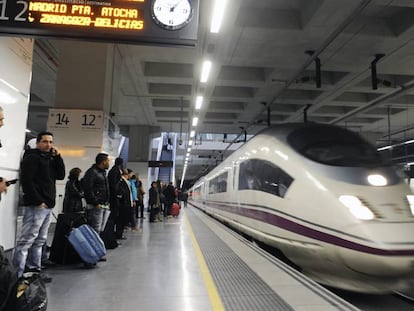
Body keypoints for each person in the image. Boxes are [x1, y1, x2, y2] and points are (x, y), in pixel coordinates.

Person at [13, 131, 65, 282]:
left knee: (40, 240)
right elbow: (27, 181)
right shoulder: (32, 158)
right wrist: (37, 200)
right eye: (45, 142)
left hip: (47, 205)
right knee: (26, 240)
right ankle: (17, 275)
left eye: (50, 142)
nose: (48, 145)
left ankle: (34, 270)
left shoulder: (49, 159)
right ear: (38, 143)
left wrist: (58, 157)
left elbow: (61, 175)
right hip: (37, 205)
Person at [82, 153, 111, 235]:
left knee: (100, 229)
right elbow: (88, 189)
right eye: (108, 161)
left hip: (103, 205)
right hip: (96, 205)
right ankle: (93, 247)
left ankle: (96, 246)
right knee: (95, 229)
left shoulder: (102, 173)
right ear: (103, 162)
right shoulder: (92, 172)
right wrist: (95, 202)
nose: (109, 162)